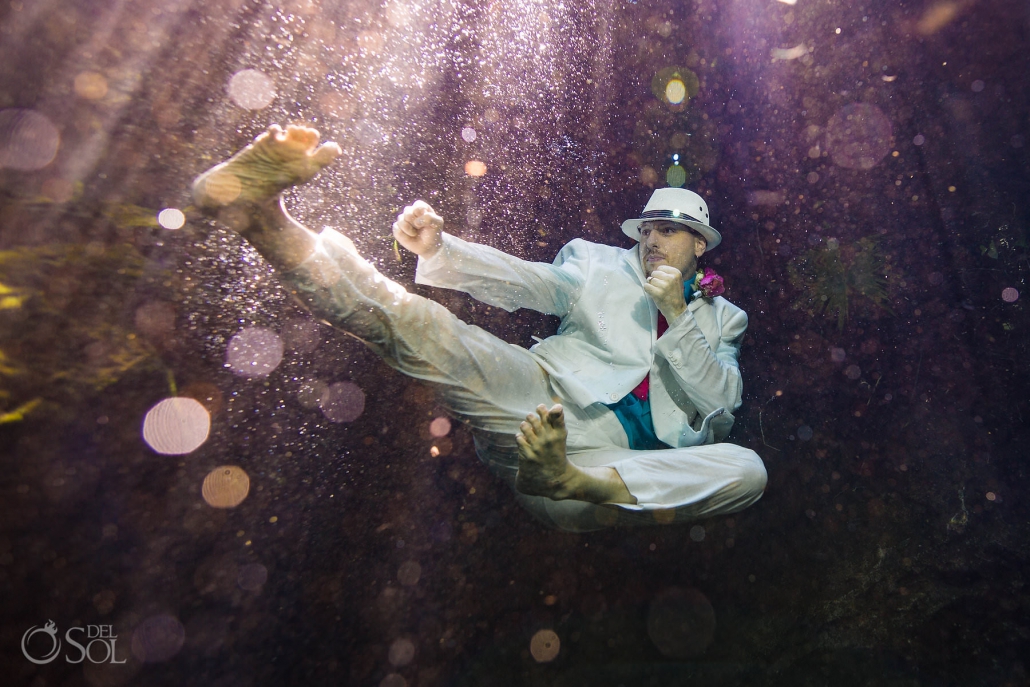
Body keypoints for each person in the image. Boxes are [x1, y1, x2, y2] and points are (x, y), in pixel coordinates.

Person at [193, 124, 767, 531]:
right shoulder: (599, 264)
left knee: (748, 471)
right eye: (647, 230)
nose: (652, 241)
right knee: (417, 326)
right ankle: (262, 218)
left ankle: (569, 481)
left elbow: (721, 403)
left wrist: (675, 317)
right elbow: (529, 281)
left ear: (699, 244)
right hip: (543, 404)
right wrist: (442, 249)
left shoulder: (725, 318)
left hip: (616, 474)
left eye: (667, 230)